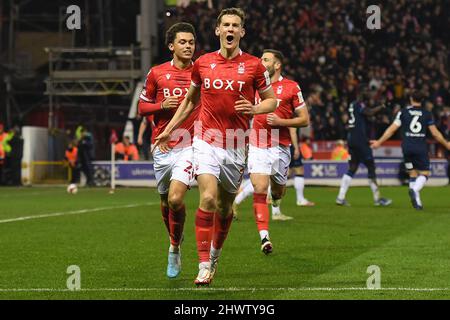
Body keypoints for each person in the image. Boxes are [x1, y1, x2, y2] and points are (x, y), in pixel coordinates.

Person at [154, 8, 277, 286]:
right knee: (207, 198)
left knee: (225, 209)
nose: (230, 29)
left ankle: (215, 255)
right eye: (226, 25)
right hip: (205, 140)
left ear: (242, 32)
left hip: (236, 143)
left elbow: (272, 102)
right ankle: (203, 264)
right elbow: (188, 102)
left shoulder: (255, 65)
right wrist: (169, 130)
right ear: (218, 31)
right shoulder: (203, 63)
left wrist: (255, 107)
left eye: (236, 25)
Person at [137, 22, 200, 278]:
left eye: (191, 42)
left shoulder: (203, 72)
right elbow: (142, 108)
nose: (188, 46)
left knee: (175, 198)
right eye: (183, 42)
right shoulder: (157, 73)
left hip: (192, 144)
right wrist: (162, 104)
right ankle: (175, 241)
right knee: (165, 200)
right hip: (162, 144)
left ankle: (176, 248)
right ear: (171, 46)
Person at [247, 49, 310, 253]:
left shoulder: (291, 87)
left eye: (265, 59)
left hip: (280, 147)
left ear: (277, 65)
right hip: (257, 144)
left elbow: (304, 119)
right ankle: (264, 237)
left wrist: (282, 121)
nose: (260, 61)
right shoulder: (253, 85)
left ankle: (277, 198)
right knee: (259, 188)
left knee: (278, 190)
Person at [371, 91, 450, 210]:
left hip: (406, 148)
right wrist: (447, 144)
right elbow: (435, 134)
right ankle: (414, 189)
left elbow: (391, 129)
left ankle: (417, 203)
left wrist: (379, 142)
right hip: (420, 148)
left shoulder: (403, 112)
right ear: (422, 100)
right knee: (425, 173)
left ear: (411, 99)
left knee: (412, 173)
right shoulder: (427, 114)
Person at [336, 89, 392, 207]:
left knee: (353, 167)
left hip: (352, 139)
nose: (369, 94)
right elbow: (370, 112)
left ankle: (340, 197)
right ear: (361, 93)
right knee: (371, 166)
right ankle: (377, 199)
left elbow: (358, 122)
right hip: (359, 140)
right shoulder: (359, 104)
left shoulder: (352, 105)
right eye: (367, 92)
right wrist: (381, 107)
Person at [289, 127, 315, 207]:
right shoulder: (291, 115)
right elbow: (292, 130)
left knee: (285, 173)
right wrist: (296, 148)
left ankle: (269, 195)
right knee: (299, 170)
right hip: (290, 144)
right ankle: (300, 199)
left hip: (281, 144)